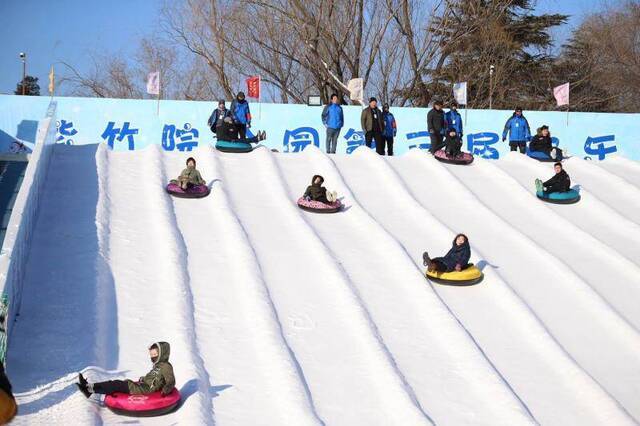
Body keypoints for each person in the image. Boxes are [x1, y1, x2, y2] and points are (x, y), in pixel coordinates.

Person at [77, 342, 175, 398]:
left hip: (143, 390)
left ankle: (89, 389)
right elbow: (155, 379)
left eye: (155, 355)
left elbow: (171, 381)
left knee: (116, 384)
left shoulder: (166, 366)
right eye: (151, 355)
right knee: (115, 383)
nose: (152, 357)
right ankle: (88, 387)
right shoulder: (158, 365)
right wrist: (143, 379)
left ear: (162, 354)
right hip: (142, 386)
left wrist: (165, 391)